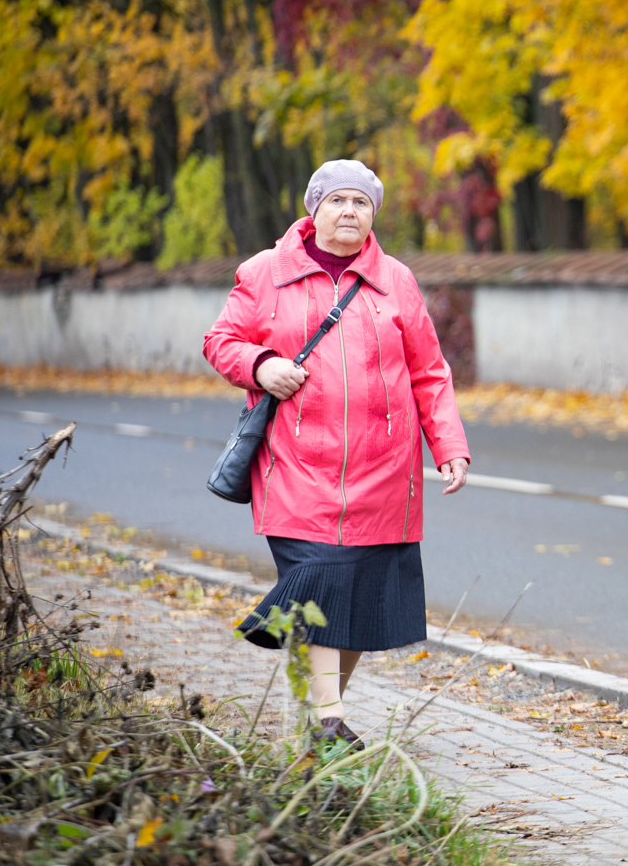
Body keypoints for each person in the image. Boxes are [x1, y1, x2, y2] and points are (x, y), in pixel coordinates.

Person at [202, 158, 471, 747]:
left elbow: (429, 371)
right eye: (337, 202)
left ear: (373, 215)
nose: (349, 212)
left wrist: (448, 444)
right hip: (297, 466)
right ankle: (327, 720)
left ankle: (322, 714)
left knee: (353, 603)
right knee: (322, 581)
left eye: (361, 203)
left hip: (384, 472)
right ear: (314, 209)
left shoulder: (396, 279)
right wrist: (261, 365)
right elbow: (220, 340)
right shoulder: (265, 272)